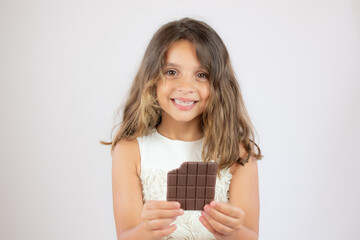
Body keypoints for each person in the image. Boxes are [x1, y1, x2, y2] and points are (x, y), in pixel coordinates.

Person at [101, 17, 263, 240]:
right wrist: (145, 231)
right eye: (171, 72)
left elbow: (250, 235)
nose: (186, 87)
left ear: (218, 84)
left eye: (201, 75)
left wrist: (233, 232)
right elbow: (126, 235)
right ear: (152, 79)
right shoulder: (130, 151)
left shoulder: (238, 153)